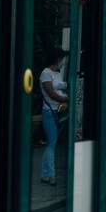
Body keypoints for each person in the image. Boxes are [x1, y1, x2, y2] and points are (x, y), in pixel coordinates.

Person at [39, 49, 70, 186]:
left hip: (59, 111)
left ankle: (45, 174)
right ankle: (51, 175)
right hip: (49, 112)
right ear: (56, 59)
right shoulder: (45, 73)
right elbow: (51, 93)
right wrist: (66, 99)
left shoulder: (57, 74)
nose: (63, 62)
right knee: (51, 143)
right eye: (62, 59)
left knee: (52, 143)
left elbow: (60, 89)